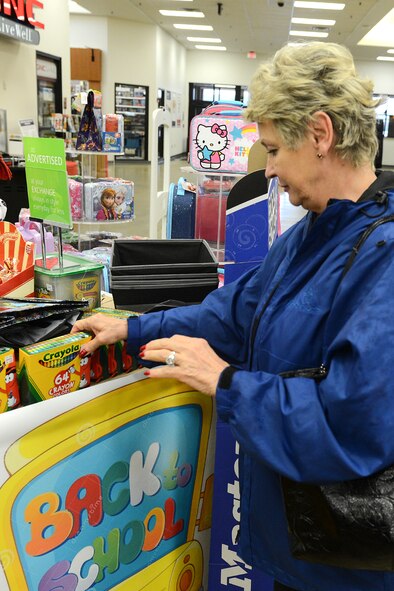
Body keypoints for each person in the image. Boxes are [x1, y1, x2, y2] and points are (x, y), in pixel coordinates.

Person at [71, 42, 394, 591]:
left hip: (341, 568)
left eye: (273, 150)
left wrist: (227, 384)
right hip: (291, 549)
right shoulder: (309, 236)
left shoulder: (383, 260)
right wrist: (131, 329)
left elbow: (350, 427)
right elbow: (233, 315)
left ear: (320, 134)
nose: (267, 173)